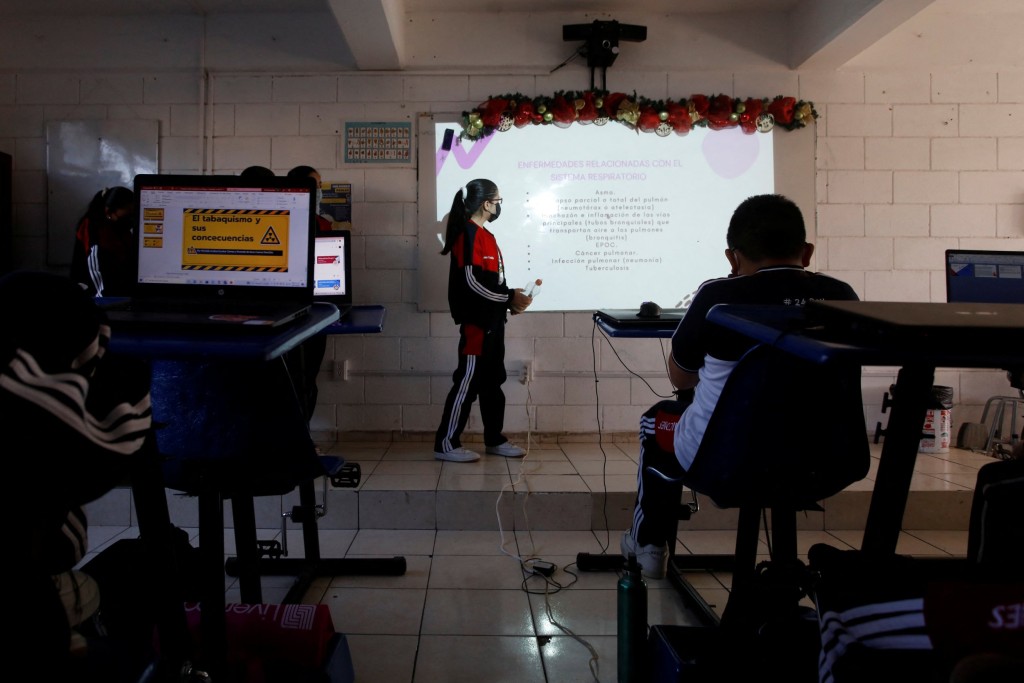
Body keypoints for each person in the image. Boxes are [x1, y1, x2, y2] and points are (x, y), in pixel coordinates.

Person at [622, 194, 859, 578]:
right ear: (808, 252)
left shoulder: (719, 297)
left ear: (732, 257)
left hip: (729, 459)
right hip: (825, 459)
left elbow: (681, 378)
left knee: (656, 422)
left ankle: (648, 544)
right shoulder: (842, 296)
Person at [433, 178, 533, 462]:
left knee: (492, 383)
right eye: (498, 200)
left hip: (493, 322)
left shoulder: (486, 235)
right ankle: (446, 444)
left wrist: (510, 302)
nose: (500, 205)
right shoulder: (467, 235)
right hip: (477, 325)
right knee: (467, 381)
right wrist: (508, 297)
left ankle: (494, 439)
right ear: (487, 203)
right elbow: (471, 283)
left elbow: (492, 283)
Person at [69, 186, 136, 297]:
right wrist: (104, 298)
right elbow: (96, 269)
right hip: (96, 294)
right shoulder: (93, 228)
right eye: (126, 215)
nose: (130, 219)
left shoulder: (119, 226)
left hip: (118, 291)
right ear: (109, 212)